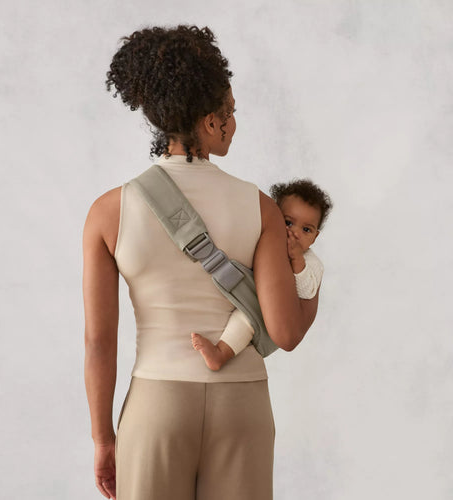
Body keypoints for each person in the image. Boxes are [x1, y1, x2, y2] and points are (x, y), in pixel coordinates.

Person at [83, 25, 319, 500]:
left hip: (157, 403)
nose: (234, 122)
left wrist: (104, 440)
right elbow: (287, 333)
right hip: (242, 405)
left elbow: (98, 343)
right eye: (231, 111)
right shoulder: (260, 207)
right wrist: (310, 273)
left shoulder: (108, 211)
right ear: (211, 122)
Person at [192, 179, 333, 370]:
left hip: (273, 315)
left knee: (244, 320)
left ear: (315, 237)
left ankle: (220, 353)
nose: (295, 233)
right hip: (246, 294)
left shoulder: (312, 263)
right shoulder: (266, 239)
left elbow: (307, 291)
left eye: (306, 229)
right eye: (288, 223)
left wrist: (297, 260)